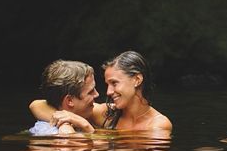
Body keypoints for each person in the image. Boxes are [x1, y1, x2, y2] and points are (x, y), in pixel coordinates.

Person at [30, 51, 172, 133]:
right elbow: (37, 105)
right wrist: (65, 123)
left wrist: (85, 125)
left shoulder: (158, 125)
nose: (108, 92)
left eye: (114, 83)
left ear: (137, 80)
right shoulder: (106, 113)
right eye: (107, 84)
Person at [28, 59, 100, 135]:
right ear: (69, 101)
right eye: (90, 92)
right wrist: (87, 127)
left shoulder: (79, 119)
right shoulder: (51, 132)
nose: (97, 94)